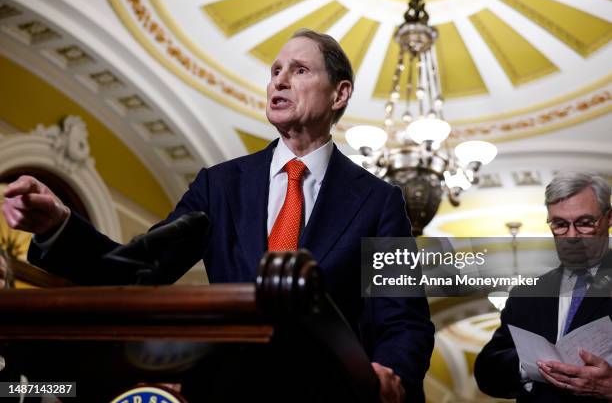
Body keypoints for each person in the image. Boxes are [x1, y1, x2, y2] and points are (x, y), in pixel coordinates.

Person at [1, 29, 434, 402]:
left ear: (340, 93)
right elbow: (138, 272)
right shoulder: (220, 185)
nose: (280, 80)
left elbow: (403, 321)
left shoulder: (378, 202)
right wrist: (57, 224)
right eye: (275, 71)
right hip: (227, 392)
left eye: (300, 70)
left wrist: (389, 373)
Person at [474, 171, 612, 402]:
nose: (571, 236)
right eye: (559, 224)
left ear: (608, 219)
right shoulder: (526, 294)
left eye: (585, 223)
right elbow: (486, 371)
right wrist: (530, 366)